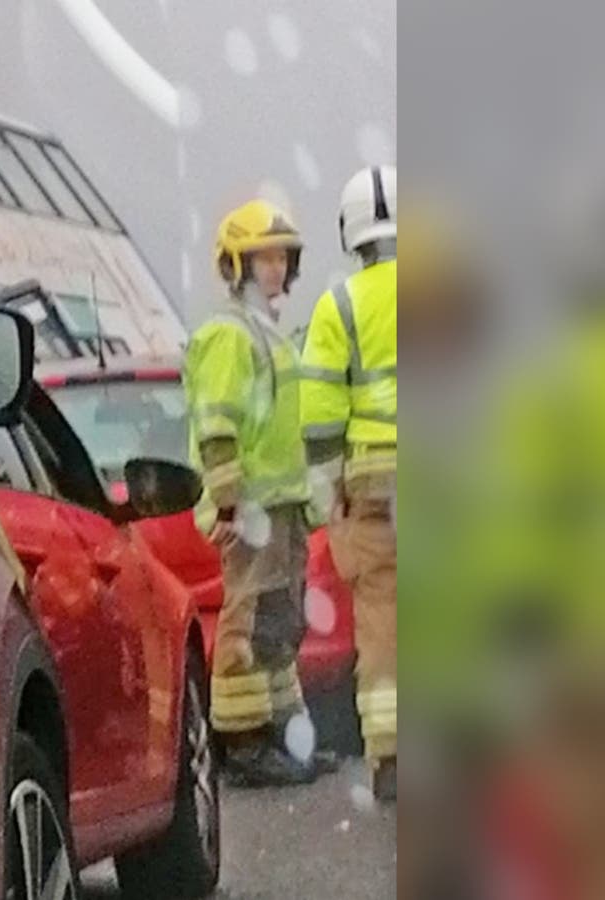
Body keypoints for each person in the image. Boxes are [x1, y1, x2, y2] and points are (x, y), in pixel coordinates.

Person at [184, 199, 329, 786]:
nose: (275, 268)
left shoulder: (267, 334)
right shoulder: (228, 335)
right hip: (250, 511)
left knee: (278, 622)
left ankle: (280, 737)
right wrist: (227, 504)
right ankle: (243, 747)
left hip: (280, 507)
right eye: (262, 257)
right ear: (235, 264)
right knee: (245, 624)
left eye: (281, 257)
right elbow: (217, 429)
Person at [300, 165, 397, 800]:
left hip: (375, 482)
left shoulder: (338, 306)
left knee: (383, 616)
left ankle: (392, 759)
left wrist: (327, 485)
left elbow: (320, 417)